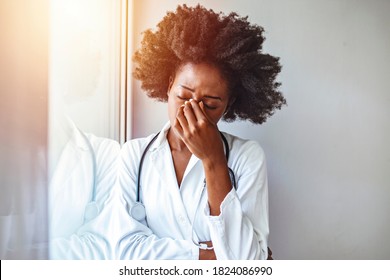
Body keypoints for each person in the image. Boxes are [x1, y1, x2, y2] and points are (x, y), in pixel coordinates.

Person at [116, 4, 286, 260]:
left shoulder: (246, 157)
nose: (192, 110)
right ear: (168, 85)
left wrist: (214, 161)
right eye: (183, 95)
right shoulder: (133, 155)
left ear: (229, 104)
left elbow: (248, 263)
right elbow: (124, 251)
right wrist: (206, 255)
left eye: (210, 104)